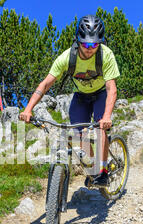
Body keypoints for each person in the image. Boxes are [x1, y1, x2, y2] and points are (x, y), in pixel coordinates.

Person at [19, 15, 120, 186]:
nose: (90, 48)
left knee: (100, 128)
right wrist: (28, 109)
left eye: (95, 44)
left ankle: (102, 171)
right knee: (77, 136)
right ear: (78, 40)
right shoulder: (67, 58)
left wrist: (107, 116)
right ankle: (92, 167)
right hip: (81, 96)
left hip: (101, 94)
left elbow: (112, 89)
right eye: (86, 44)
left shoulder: (106, 55)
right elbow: (44, 85)